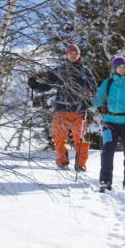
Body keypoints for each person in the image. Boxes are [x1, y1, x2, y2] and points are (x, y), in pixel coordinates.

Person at [28, 43, 97, 171]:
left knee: (81, 140)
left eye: (75, 53)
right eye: (71, 53)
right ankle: (62, 162)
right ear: (66, 55)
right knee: (59, 139)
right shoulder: (59, 70)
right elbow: (46, 86)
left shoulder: (85, 71)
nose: (73, 55)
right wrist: (35, 86)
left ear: (79, 55)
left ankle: (80, 165)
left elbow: (94, 88)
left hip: (79, 110)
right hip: (61, 109)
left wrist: (89, 95)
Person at [93, 55, 125, 192]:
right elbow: (98, 99)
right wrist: (88, 100)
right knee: (107, 151)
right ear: (115, 68)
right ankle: (105, 181)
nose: (122, 69)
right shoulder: (108, 82)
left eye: (124, 66)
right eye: (119, 66)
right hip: (110, 122)